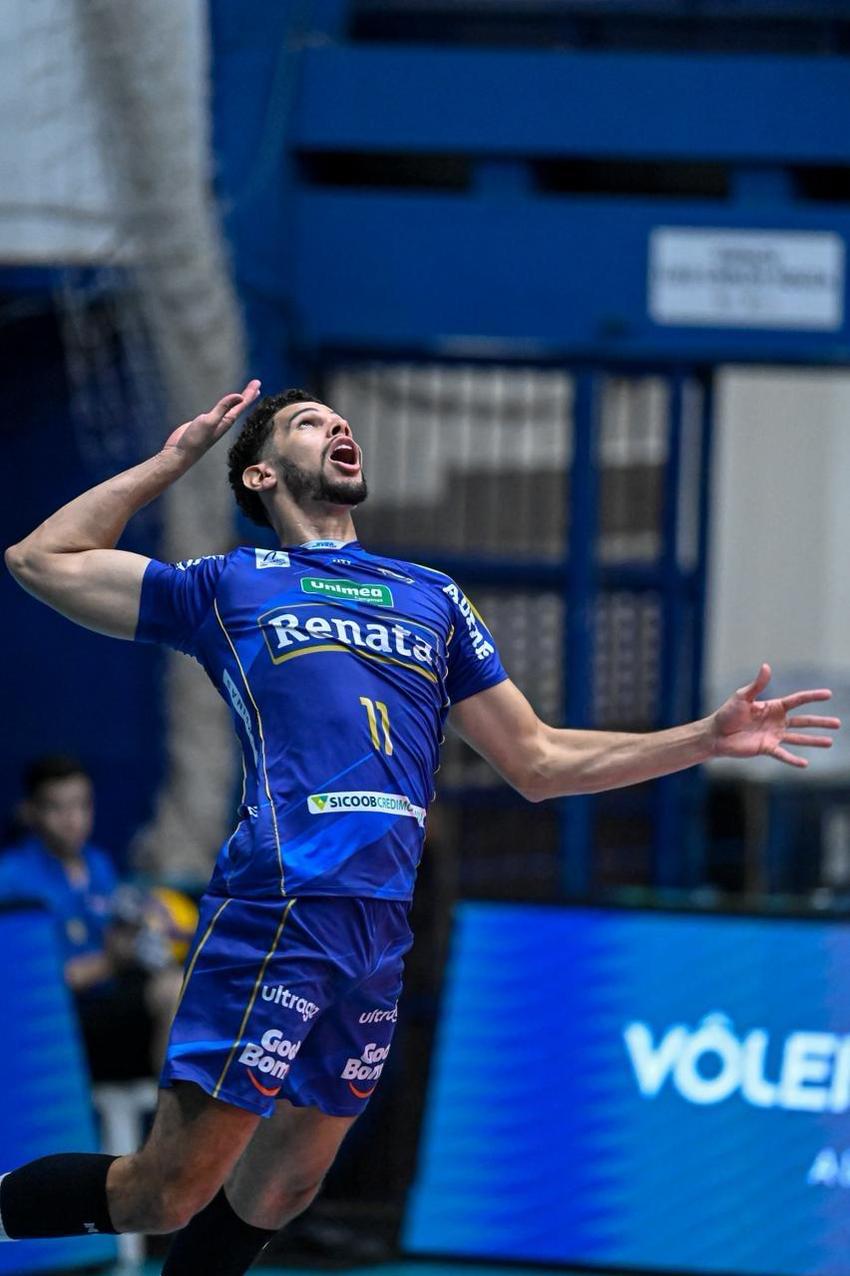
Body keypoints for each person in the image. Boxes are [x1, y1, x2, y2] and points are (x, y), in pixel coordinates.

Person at [1, 382, 839, 1274]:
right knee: (168, 1190)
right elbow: (39, 557)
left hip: (378, 926)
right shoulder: (229, 585)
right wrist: (173, 463)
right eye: (309, 423)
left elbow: (541, 759)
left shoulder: (432, 597)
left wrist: (705, 738)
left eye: (339, 420)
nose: (338, 427)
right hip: (281, 905)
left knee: (286, 1184)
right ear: (260, 472)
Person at [0, 754, 186, 1082]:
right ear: (31, 811)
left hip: (110, 1006)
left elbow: (113, 937)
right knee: (171, 990)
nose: (73, 820)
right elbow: (49, 981)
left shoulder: (97, 863)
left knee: (185, 985)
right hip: (57, 1027)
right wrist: (119, 958)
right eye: (57, 808)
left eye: (82, 805)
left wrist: (146, 926)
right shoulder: (13, 879)